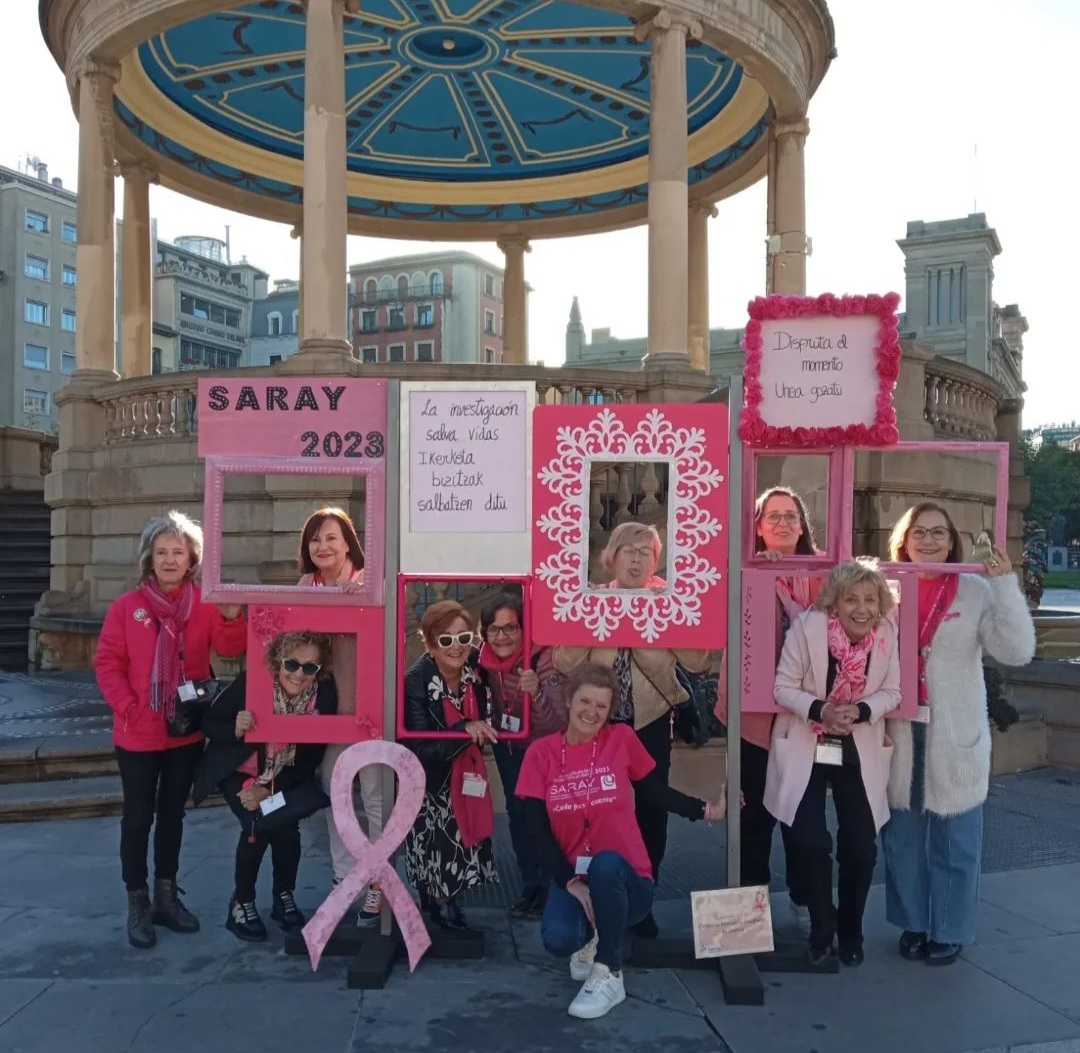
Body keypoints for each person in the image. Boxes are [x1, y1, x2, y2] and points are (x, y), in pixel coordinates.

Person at [517, 663, 725, 1020]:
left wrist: (706, 809)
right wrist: (570, 883)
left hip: (628, 884)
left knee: (607, 862)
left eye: (601, 706)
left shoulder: (621, 740)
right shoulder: (541, 753)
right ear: (569, 701)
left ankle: (609, 972)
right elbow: (537, 832)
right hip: (575, 878)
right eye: (585, 701)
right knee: (558, 939)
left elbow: (654, 792)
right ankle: (593, 940)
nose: (591, 712)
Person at [881, 503, 1035, 965]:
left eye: (938, 533)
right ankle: (913, 922)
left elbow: (1017, 650)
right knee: (901, 838)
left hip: (954, 730)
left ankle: (948, 927)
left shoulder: (973, 590)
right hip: (901, 727)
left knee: (957, 841)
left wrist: (1005, 586)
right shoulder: (888, 588)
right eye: (918, 533)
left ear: (952, 543)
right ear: (903, 542)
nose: (927, 541)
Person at [94, 510, 246, 949]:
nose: (169, 559)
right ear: (149, 558)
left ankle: (166, 894)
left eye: (177, 552)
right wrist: (128, 706)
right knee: (138, 816)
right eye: (161, 552)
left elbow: (230, 649)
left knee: (173, 816)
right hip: (138, 731)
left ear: (191, 558)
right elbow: (108, 664)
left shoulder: (202, 603)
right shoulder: (128, 608)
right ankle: (137, 901)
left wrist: (234, 617)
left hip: (184, 729)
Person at [553, 521, 711, 936]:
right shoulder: (593, 599)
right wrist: (592, 617)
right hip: (598, 726)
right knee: (596, 812)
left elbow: (697, 661)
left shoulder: (666, 601)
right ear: (613, 557)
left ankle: (643, 900)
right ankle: (595, 899)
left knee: (650, 813)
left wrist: (644, 623)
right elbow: (565, 664)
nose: (637, 558)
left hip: (649, 722)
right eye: (630, 550)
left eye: (647, 552)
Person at [765, 559, 901, 966]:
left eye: (870, 599)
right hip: (808, 739)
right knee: (809, 841)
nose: (861, 608)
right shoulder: (808, 630)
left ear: (880, 605)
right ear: (835, 604)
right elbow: (782, 687)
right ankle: (823, 928)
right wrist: (821, 709)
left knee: (860, 847)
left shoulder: (887, 635)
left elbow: (892, 691)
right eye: (851, 599)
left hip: (858, 744)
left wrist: (858, 711)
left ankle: (851, 930)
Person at [715, 486, 821, 935]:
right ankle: (746, 925)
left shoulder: (825, 574)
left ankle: (805, 901)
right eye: (772, 516)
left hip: (806, 721)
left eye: (790, 516)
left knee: (804, 824)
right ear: (757, 527)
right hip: (755, 721)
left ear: (803, 525)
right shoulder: (739, 570)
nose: (782, 523)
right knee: (752, 820)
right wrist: (756, 575)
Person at [194, 631, 337, 941]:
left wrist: (267, 790)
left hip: (284, 776)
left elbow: (308, 760)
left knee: (285, 828)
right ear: (277, 661)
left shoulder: (323, 695)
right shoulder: (253, 682)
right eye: (292, 664)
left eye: (310, 667)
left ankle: (283, 895)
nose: (300, 674)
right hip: (239, 771)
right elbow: (210, 723)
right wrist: (235, 727)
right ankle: (242, 902)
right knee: (257, 828)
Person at [297, 506, 384, 927]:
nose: (323, 546)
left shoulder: (369, 582)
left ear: (348, 543)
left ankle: (378, 884)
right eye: (315, 539)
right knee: (337, 800)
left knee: (375, 799)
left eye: (331, 537)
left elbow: (401, 622)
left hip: (370, 713)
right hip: (328, 715)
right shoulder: (302, 586)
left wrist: (367, 593)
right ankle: (342, 879)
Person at [402, 600, 498, 929]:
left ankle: (450, 896)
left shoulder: (475, 666)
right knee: (435, 840)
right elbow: (417, 747)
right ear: (429, 644)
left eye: (463, 637)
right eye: (445, 640)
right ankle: (434, 899)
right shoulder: (416, 681)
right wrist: (462, 731)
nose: (455, 647)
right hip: (431, 777)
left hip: (466, 769)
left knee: (462, 836)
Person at [477, 591, 567, 920]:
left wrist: (537, 693)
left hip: (540, 750)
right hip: (509, 745)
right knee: (517, 814)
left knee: (543, 817)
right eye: (494, 629)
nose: (502, 637)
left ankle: (552, 886)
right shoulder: (484, 660)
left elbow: (558, 722)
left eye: (510, 628)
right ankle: (531, 884)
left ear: (524, 629)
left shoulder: (544, 661)